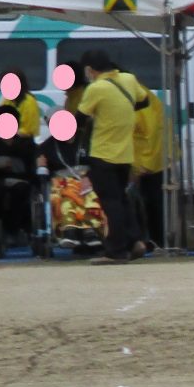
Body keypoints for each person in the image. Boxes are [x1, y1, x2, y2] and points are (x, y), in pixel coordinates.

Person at [75, 52, 151, 264]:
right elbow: (144, 101)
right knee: (122, 200)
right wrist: (120, 111)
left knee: (111, 203)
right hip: (125, 154)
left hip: (103, 154)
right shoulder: (128, 79)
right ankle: (135, 241)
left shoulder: (96, 88)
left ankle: (116, 251)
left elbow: (80, 118)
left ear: (90, 70)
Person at [131, 81, 168, 251]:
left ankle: (155, 241)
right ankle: (149, 240)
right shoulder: (135, 94)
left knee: (152, 204)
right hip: (143, 160)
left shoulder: (140, 99)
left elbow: (152, 134)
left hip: (151, 161)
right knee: (144, 203)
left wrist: (144, 166)